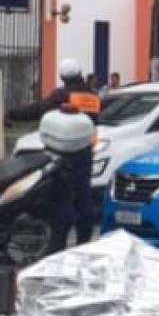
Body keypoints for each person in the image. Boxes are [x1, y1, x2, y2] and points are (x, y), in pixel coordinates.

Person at [39, 105, 97, 251]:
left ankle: (57, 250)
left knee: (64, 208)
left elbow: (38, 108)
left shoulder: (60, 97)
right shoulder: (86, 110)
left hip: (62, 158)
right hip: (83, 153)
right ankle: (82, 246)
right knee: (83, 203)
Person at [6, 58, 101, 123]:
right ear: (80, 73)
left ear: (61, 77)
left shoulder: (61, 96)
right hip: (91, 144)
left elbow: (36, 110)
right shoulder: (94, 96)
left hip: (65, 143)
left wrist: (12, 114)